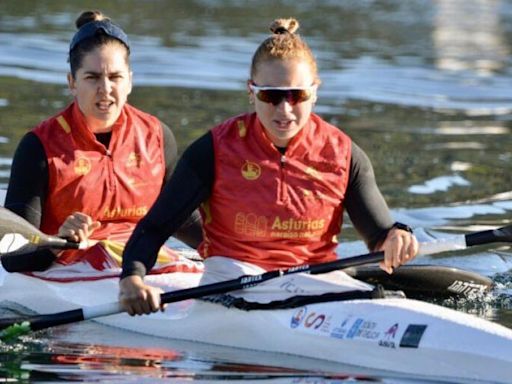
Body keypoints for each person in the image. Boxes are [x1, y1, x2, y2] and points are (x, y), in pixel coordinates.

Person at [119, 18, 418, 315]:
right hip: (232, 282)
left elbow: (379, 233)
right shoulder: (213, 150)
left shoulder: (343, 154)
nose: (284, 110)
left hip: (316, 282)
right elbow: (155, 227)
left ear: (314, 91)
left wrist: (396, 237)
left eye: (297, 95)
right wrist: (132, 278)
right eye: (271, 96)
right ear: (252, 92)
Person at [2, 10, 202, 273]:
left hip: (144, 266)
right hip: (71, 268)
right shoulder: (38, 147)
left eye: (115, 77)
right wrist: (60, 241)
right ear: (72, 82)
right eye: (92, 77)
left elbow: (183, 219)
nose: (105, 89)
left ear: (129, 81)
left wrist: (244, 250)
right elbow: (13, 257)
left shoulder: (157, 136)